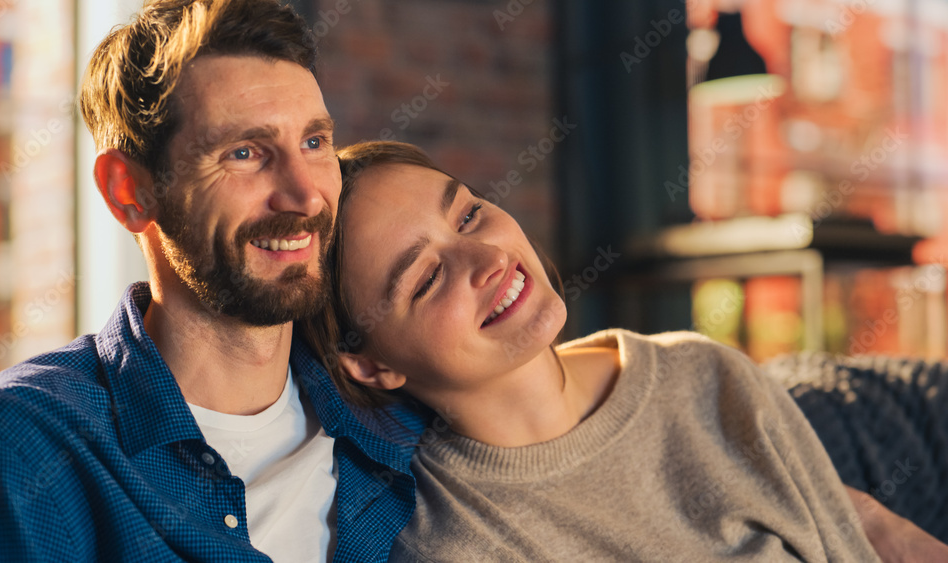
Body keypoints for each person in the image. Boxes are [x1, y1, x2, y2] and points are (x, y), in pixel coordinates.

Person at [304, 140, 948, 562]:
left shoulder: (705, 375)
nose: (488, 259)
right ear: (371, 365)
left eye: (469, 215)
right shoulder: (455, 543)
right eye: (426, 278)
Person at [0, 2, 425, 561]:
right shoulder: (13, 442)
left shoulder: (396, 418)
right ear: (129, 191)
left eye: (314, 143)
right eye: (245, 153)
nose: (306, 195)